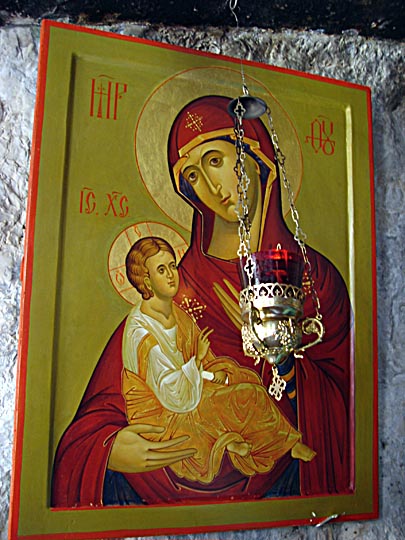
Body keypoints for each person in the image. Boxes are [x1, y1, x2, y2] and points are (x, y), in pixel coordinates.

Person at [52, 95, 353, 507]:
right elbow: (107, 405)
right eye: (192, 176)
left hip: (282, 486)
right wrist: (110, 449)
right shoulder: (177, 285)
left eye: (215, 161)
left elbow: (343, 391)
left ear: (256, 154)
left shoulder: (314, 278)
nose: (211, 188)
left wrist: (286, 363)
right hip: (164, 479)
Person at [121, 236, 315, 484]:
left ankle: (239, 440)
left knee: (244, 381)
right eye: (161, 270)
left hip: (188, 390)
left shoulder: (175, 314)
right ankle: (280, 444)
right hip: (163, 412)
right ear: (146, 280)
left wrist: (213, 375)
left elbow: (187, 370)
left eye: (172, 266)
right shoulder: (142, 333)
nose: (171, 275)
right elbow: (171, 393)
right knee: (247, 395)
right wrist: (199, 361)